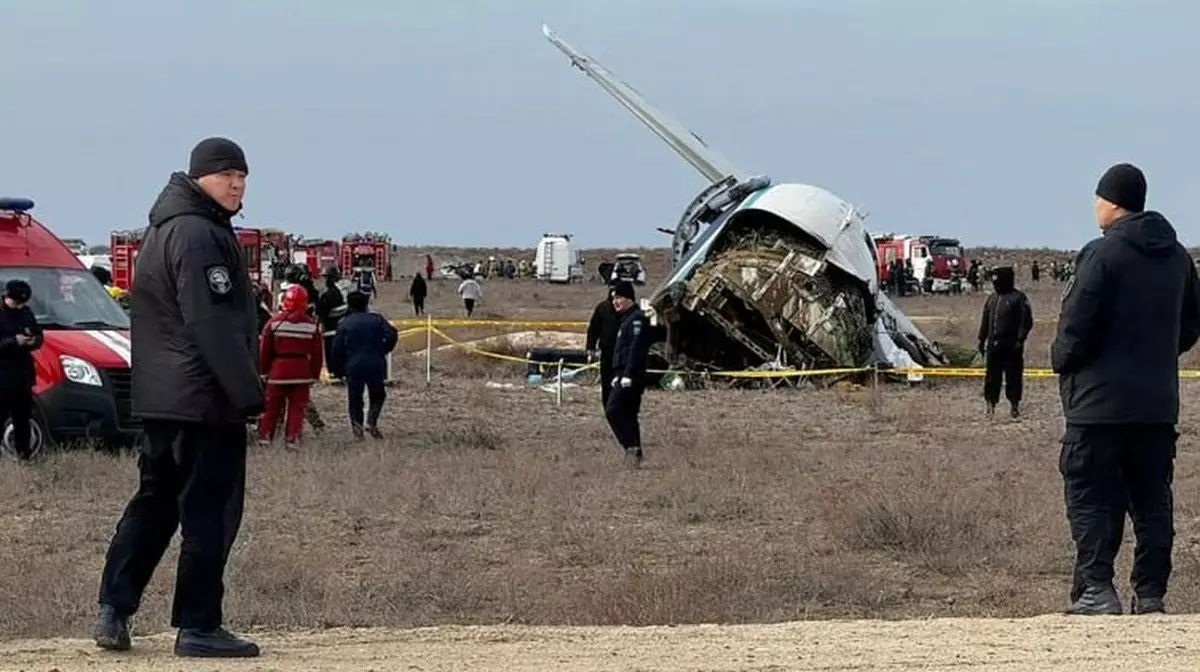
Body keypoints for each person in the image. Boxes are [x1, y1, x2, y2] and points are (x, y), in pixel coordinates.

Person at [94, 137, 263, 658]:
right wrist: (248, 394)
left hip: (163, 398)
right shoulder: (199, 234)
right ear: (200, 179)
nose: (237, 184)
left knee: (154, 504)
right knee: (209, 511)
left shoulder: (163, 228)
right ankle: (199, 626)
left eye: (243, 175)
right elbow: (210, 320)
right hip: (204, 400)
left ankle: (113, 610)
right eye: (226, 175)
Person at [1051, 162, 1200, 616]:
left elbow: (1076, 325)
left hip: (1098, 406)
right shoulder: (1177, 258)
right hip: (1156, 405)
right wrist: (1154, 358)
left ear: (1111, 201)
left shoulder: (1101, 255)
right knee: (1153, 501)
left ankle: (1098, 588)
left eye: (1098, 197)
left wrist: (1064, 359)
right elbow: (1192, 324)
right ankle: (1150, 594)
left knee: (1092, 495)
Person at [258, 285, 323, 447]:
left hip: (277, 371)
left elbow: (264, 350)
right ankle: (292, 439)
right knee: (297, 408)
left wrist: (264, 371)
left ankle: (265, 438)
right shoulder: (311, 325)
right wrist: (314, 374)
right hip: (302, 372)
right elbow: (317, 354)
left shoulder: (274, 323)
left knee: (271, 407)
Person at [329, 291, 398, 440]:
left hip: (353, 365)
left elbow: (336, 349)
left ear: (349, 305)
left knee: (355, 399)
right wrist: (384, 349)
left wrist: (338, 369)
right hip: (375, 363)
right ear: (366, 304)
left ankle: (357, 430)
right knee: (378, 394)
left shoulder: (344, 323)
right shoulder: (377, 319)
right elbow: (392, 334)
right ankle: (371, 421)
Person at [604, 281, 651, 467]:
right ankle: (634, 452)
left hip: (631, 375)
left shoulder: (637, 319)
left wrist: (628, 374)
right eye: (614, 298)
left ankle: (630, 446)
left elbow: (635, 350)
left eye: (619, 298)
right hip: (623, 373)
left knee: (613, 410)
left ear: (629, 299)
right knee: (629, 415)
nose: (615, 302)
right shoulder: (626, 319)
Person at [977, 266, 1033, 418]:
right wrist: (981, 340)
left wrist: (1020, 340)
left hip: (1011, 346)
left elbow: (1026, 322)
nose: (995, 284)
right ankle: (990, 404)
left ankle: (1014, 405)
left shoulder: (1018, 298)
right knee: (991, 377)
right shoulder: (992, 299)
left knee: (1013, 377)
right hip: (993, 346)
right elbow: (985, 321)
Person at [0, 279, 43, 459]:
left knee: (23, 420)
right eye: (16, 302)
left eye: (22, 303)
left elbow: (38, 334)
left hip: (22, 376)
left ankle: (24, 455)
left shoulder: (26, 313)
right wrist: (12, 342)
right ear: (7, 297)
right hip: (2, 377)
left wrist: (34, 340)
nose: (19, 307)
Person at [585, 286, 621, 409]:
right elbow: (593, 329)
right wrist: (590, 347)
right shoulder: (602, 308)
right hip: (606, 351)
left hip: (622, 351)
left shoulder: (626, 310)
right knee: (606, 380)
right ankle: (607, 404)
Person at [314, 266, 347, 381]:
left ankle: (335, 373)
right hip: (343, 328)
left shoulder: (328, 295)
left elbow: (320, 312)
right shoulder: (342, 292)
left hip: (330, 330)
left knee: (331, 351)